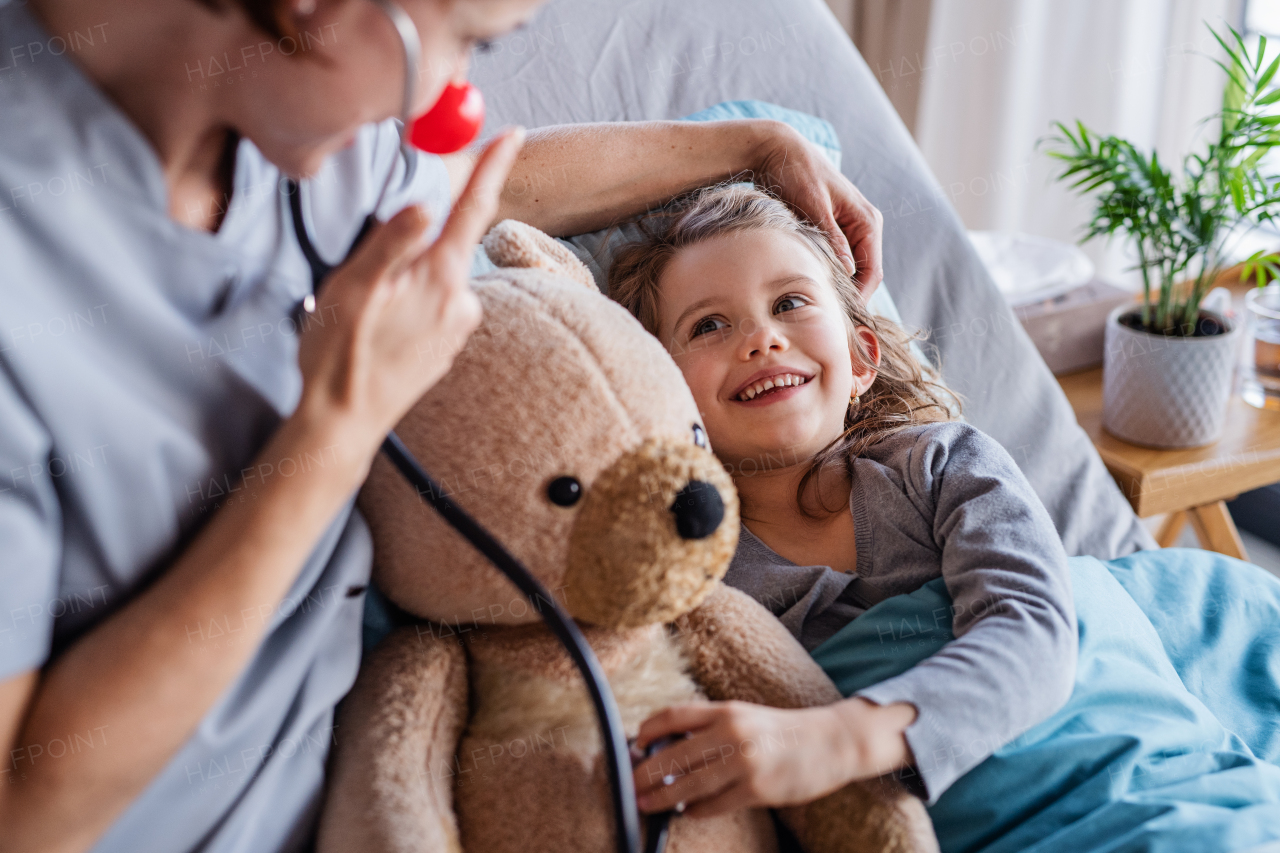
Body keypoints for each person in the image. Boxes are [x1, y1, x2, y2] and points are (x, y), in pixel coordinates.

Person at [0, 0, 891, 849]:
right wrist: (333, 431)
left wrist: (748, 145)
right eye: (466, 38)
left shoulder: (302, 129)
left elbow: (489, 185)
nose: (444, 105)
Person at [612, 185, 1077, 815]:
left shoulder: (942, 465)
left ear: (862, 358)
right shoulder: (694, 579)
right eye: (709, 325)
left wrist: (835, 740)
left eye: (790, 302)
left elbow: (1036, 633)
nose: (760, 338)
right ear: (664, 390)